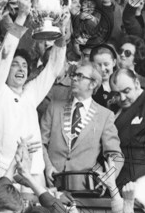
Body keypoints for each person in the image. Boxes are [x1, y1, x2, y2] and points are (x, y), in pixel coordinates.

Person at [0, 0, 67, 183]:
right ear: (6, 72)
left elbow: (54, 67)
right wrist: (22, 16)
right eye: (15, 65)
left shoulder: (30, 93)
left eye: (24, 66)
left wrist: (61, 30)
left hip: (35, 170)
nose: (21, 68)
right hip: (6, 168)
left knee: (37, 212)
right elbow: (5, 54)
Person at [40, 63, 122, 192]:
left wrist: (108, 177)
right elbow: (40, 143)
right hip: (52, 185)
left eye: (80, 76)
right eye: (73, 75)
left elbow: (116, 155)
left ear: (93, 84)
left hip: (86, 188)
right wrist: (48, 167)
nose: (73, 78)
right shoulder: (54, 107)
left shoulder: (105, 115)